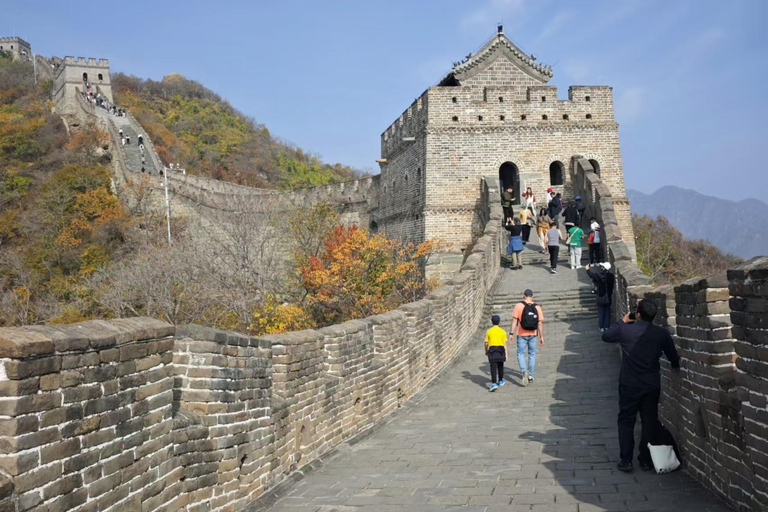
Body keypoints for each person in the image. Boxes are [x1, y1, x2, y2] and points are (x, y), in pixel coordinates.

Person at [602, 299, 680, 473]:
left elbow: (606, 336)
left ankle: (626, 460)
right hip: (651, 384)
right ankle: (645, 459)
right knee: (649, 421)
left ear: (637, 313)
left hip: (629, 384)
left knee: (626, 421)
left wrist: (622, 320)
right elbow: (673, 357)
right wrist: (676, 366)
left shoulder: (625, 329)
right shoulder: (661, 333)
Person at [510, 289, 544, 386]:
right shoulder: (537, 307)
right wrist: (541, 336)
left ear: (524, 296)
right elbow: (540, 323)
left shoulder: (519, 306)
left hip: (521, 333)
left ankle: (524, 370)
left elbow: (514, 321)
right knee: (532, 354)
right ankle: (530, 375)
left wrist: (511, 333)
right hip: (533, 334)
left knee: (520, 353)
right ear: (532, 296)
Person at [587, 262, 614, 331]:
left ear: (604, 268)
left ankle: (601, 327)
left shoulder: (599, 275)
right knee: (607, 313)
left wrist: (587, 269)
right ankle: (607, 326)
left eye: (602, 267)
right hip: (608, 297)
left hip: (601, 296)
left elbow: (591, 275)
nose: (601, 267)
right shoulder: (611, 276)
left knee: (601, 312)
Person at [485, 314, 508, 392]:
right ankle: (501, 380)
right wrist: (506, 354)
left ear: (492, 322)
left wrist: (486, 350)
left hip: (492, 350)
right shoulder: (502, 331)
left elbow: (486, 343)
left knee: (493, 367)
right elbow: (505, 344)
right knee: (501, 365)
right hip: (501, 349)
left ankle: (494, 383)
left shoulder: (489, 331)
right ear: (499, 322)